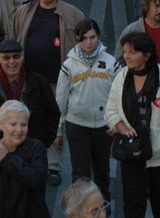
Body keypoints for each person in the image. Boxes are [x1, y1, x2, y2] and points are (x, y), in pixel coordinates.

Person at [10, 0, 85, 186]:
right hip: (29, 80)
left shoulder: (73, 14)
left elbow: (86, 44)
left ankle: (53, 167)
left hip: (58, 81)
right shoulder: (23, 12)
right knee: (26, 119)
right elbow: (13, 42)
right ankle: (27, 159)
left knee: (53, 122)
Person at [105, 32, 160, 218]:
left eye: (133, 52)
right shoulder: (122, 77)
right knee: (133, 205)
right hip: (131, 153)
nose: (126, 56)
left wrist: (159, 142)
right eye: (125, 52)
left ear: (147, 55)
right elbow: (110, 110)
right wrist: (122, 129)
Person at [55, 20, 119, 201]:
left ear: (99, 36)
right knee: (80, 173)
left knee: (102, 170)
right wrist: (59, 131)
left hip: (104, 126)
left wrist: (116, 122)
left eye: (92, 37)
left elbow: (119, 95)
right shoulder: (69, 65)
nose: (89, 42)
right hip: (77, 125)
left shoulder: (111, 62)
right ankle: (80, 207)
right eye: (84, 38)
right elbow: (60, 100)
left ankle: (102, 204)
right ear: (77, 38)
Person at [0, 37, 59, 156]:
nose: (12, 62)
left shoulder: (39, 83)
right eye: (6, 58)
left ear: (22, 56)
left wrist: (40, 144)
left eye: (16, 56)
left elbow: (53, 114)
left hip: (31, 151)